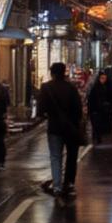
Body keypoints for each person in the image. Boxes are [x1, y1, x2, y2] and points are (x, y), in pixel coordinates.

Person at [39, 62, 85, 198]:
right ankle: (69, 183)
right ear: (64, 72)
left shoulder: (46, 88)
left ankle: (57, 186)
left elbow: (41, 110)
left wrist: (50, 115)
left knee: (55, 156)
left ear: (52, 73)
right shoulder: (71, 88)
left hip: (54, 127)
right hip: (71, 128)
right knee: (71, 156)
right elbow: (78, 110)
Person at [88, 70, 112, 144]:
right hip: (96, 109)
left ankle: (96, 138)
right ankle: (97, 138)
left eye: (105, 78)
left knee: (97, 124)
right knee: (97, 124)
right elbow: (93, 99)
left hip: (99, 109)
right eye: (102, 78)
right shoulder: (96, 87)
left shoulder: (103, 87)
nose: (103, 80)